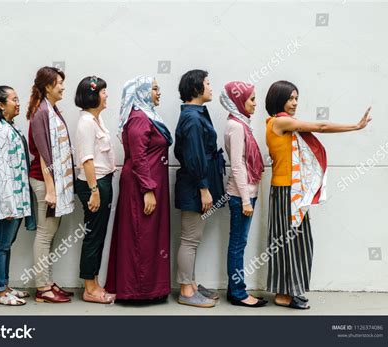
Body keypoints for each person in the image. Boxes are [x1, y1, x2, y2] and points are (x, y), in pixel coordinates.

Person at [265, 80, 371, 309]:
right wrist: (355, 126)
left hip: (292, 191)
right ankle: (284, 294)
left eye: (296, 98)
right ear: (278, 98)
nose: (294, 103)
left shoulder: (286, 122)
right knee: (286, 242)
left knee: (298, 242)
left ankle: (289, 290)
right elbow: (320, 127)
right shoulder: (280, 121)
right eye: (290, 98)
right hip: (285, 191)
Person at [105, 76, 172, 302]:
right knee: (140, 236)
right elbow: (139, 157)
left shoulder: (146, 116)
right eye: (154, 88)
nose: (158, 92)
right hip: (141, 187)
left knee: (147, 235)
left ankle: (149, 288)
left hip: (148, 184)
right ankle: (138, 290)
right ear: (141, 92)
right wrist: (148, 190)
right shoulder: (139, 118)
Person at [0, 84, 36, 306]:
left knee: (6, 243)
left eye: (18, 98)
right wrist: (8, 204)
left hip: (15, 198)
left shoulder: (9, 127)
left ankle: (4, 284)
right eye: (13, 99)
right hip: (5, 200)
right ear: (1, 105)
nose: (18, 102)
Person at [174, 69, 226, 308]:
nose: (211, 87)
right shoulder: (193, 118)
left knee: (193, 237)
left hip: (196, 182)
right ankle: (186, 289)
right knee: (190, 239)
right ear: (196, 89)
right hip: (195, 185)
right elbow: (194, 157)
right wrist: (204, 188)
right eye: (207, 83)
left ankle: (192, 283)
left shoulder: (195, 114)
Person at [26, 66, 75, 303]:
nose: (63, 87)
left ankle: (47, 281)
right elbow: (45, 157)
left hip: (53, 182)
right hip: (45, 182)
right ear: (48, 86)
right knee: (45, 235)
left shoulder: (50, 109)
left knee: (50, 234)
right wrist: (52, 190)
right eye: (59, 83)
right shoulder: (40, 113)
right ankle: (42, 288)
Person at [221, 81, 267, 307]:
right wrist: (246, 201)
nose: (255, 104)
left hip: (244, 193)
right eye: (251, 99)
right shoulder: (237, 126)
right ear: (239, 100)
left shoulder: (239, 123)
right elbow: (237, 165)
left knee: (239, 243)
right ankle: (239, 293)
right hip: (241, 195)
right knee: (238, 245)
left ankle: (234, 289)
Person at [74, 76, 117, 304]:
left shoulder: (96, 120)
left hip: (102, 181)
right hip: (94, 183)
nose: (106, 95)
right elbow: (87, 160)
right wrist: (94, 190)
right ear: (92, 95)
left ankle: (94, 282)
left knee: (98, 235)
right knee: (93, 235)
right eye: (102, 92)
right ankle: (89, 288)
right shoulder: (86, 123)